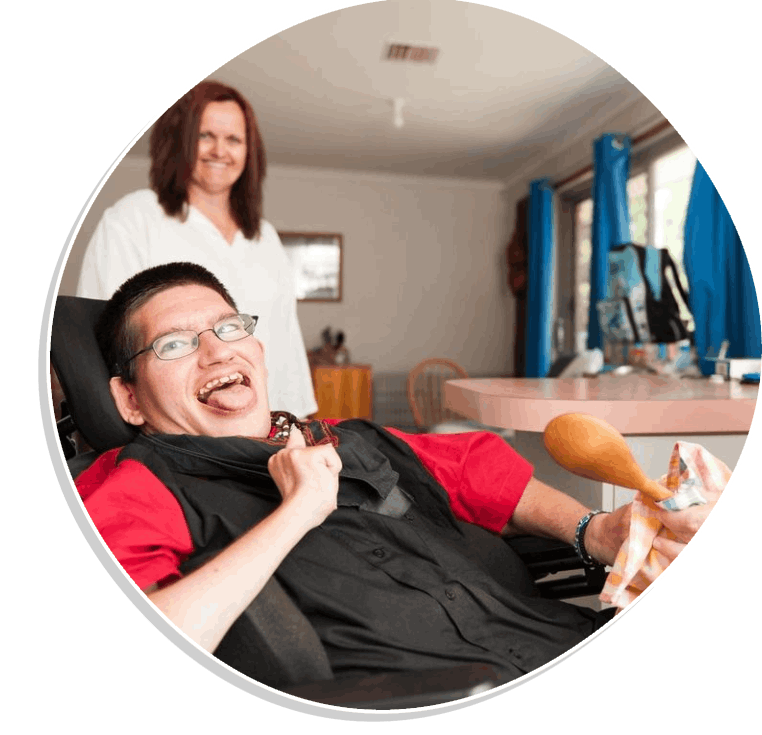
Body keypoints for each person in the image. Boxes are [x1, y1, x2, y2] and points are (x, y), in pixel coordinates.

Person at [77, 262, 715, 684]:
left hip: (551, 636)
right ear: (129, 398)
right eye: (174, 343)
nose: (216, 349)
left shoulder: (348, 436)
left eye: (228, 327)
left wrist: (597, 530)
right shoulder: (135, 482)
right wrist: (296, 512)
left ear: (257, 349)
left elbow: (473, 466)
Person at [77, 80, 316, 418]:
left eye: (233, 139)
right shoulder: (133, 219)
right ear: (180, 143)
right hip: (181, 430)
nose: (220, 151)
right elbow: (102, 341)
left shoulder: (264, 236)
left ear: (249, 152)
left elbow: (287, 339)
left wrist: (298, 420)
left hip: (269, 424)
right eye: (206, 136)